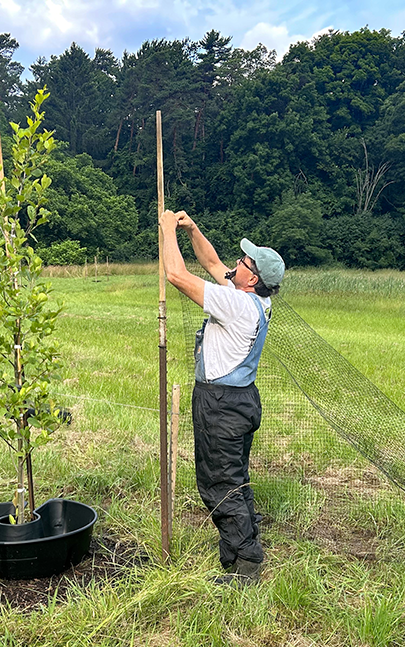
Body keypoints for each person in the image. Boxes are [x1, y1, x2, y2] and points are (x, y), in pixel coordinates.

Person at [159, 209, 285, 586]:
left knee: (218, 484)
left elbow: (176, 275)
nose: (236, 262)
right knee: (234, 479)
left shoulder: (236, 306)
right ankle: (239, 549)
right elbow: (211, 262)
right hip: (240, 401)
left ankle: (246, 565)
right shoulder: (255, 301)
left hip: (222, 405)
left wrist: (167, 231)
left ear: (253, 276)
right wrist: (192, 229)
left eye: (244, 261)